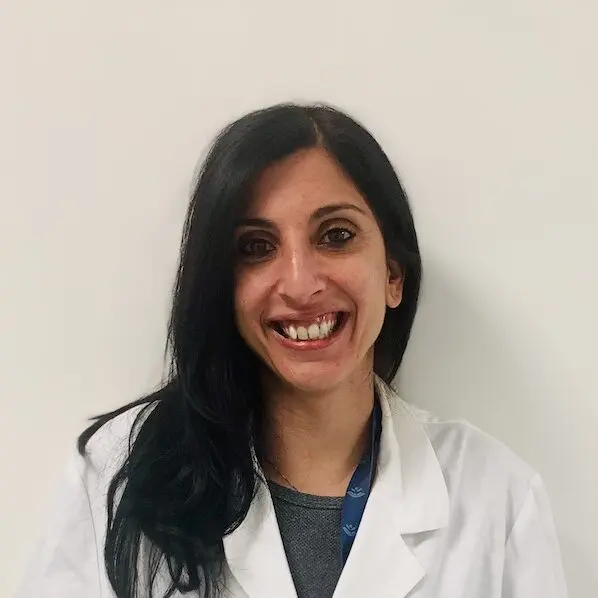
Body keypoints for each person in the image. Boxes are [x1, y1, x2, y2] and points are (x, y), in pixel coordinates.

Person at [15, 104, 567, 598]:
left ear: (393, 274)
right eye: (257, 247)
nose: (300, 285)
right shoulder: (117, 477)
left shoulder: (496, 499)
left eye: (336, 235)